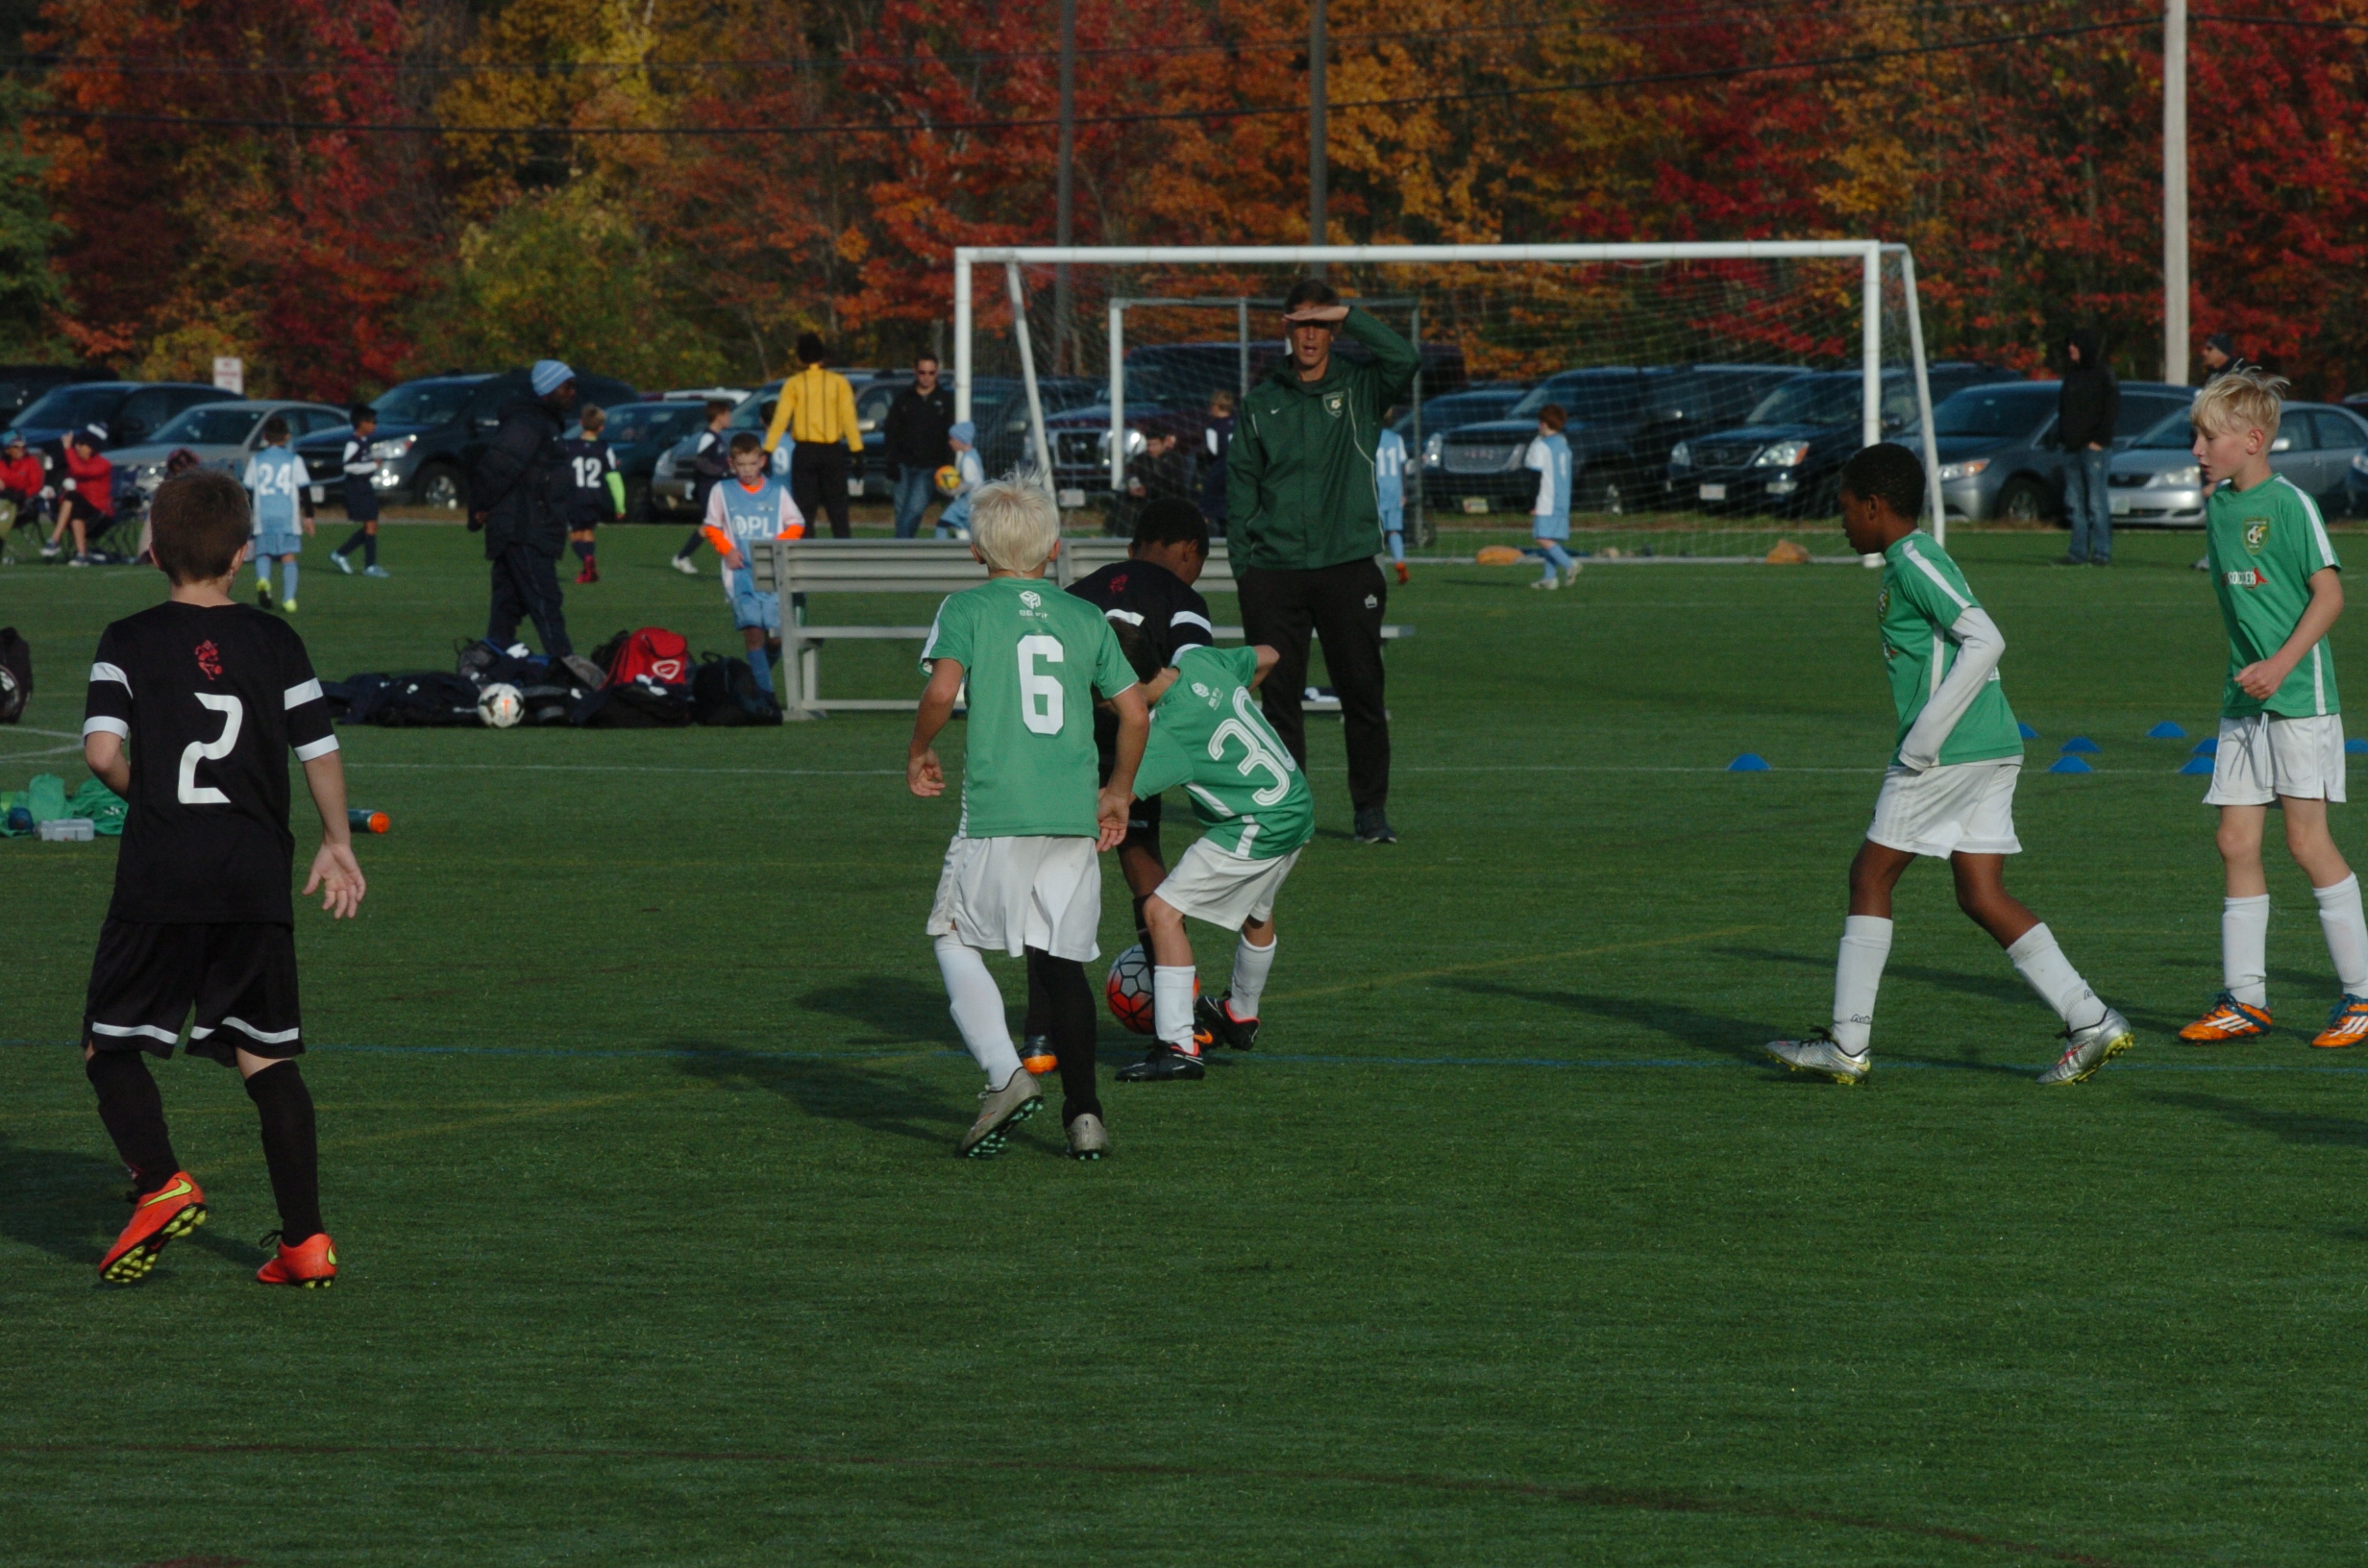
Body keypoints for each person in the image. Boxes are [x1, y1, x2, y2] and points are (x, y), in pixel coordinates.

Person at [1765, 443, 2135, 1088]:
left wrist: (1924, 737)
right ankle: (2090, 1018)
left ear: (1874, 507)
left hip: (1949, 752)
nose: (1841, 522)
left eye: (1846, 509)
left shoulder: (1914, 561)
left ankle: (1847, 1045)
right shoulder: (1909, 561)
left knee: (1870, 876)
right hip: (1990, 745)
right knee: (1980, 893)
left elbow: (1986, 638)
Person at [77, 468, 362, 1287]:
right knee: (264, 1056)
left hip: (162, 872)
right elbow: (318, 751)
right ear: (242, 553)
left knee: (108, 1044)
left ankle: (160, 1181)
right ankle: (305, 1242)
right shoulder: (276, 641)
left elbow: (100, 754)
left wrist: (150, 796)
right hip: (253, 875)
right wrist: (337, 841)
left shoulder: (127, 638)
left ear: (154, 552)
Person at [908, 477, 1147, 1161]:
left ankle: (1004, 1075)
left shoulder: (966, 606)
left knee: (953, 936)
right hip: (1071, 811)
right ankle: (1086, 1115)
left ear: (977, 552)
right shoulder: (1085, 616)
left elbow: (942, 690)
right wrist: (1118, 791)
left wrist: (919, 749)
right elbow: (1135, 713)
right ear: (1055, 548)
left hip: (999, 808)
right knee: (1061, 963)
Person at [2174, 370, 2368, 1049]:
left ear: (2253, 441)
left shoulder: (2289, 506)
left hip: (2298, 700)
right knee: (2234, 842)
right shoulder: (2220, 507)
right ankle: (2246, 1000)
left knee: (2306, 842)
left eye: (2209, 437)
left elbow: (2329, 596)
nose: (2197, 449)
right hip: (2244, 699)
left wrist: (2280, 665)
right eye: (2196, 435)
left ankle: (2362, 994)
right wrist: (2252, 673)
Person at [1020, 496, 1217, 1076]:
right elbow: (1194, 674)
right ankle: (1178, 1022)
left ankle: (1039, 1036)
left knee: (1048, 879)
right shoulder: (1182, 597)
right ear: (1190, 552)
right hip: (1132, 744)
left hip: (1061, 746)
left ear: (1133, 548)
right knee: (1141, 861)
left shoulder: (1075, 592)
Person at [1228, 278, 1419, 844]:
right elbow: (1241, 486)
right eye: (1301, 324)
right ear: (1286, 329)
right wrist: (1245, 567)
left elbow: (1404, 358)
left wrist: (1349, 315)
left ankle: (1370, 813)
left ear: (1333, 329)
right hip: (1274, 571)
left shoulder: (1362, 388)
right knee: (1279, 699)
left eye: (1321, 323)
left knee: (1362, 693)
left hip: (1347, 566)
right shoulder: (1261, 402)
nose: (1310, 335)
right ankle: (1291, 813)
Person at [1116, 640, 1313, 1084]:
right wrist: (1231, 697)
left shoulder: (1165, 732)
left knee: (1161, 911)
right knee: (1257, 908)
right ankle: (1241, 1014)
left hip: (1259, 823)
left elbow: (1113, 801)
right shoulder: (1199, 661)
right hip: (1295, 804)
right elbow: (1270, 655)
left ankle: (1178, 1046)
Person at [472, 359, 579, 660]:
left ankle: (488, 665)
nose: (573, 392)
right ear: (547, 389)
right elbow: (498, 467)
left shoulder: (544, 421)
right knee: (545, 602)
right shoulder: (528, 422)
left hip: (527, 526)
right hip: (524, 528)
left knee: (507, 606)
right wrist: (479, 506)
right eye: (567, 386)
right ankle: (565, 667)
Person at [701, 431, 806, 698]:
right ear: (731, 464)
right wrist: (727, 550)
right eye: (741, 465)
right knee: (753, 632)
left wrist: (776, 546)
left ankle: (752, 681)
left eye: (752, 464)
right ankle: (765, 694)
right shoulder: (722, 491)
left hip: (772, 575)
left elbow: (796, 523)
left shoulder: (776, 492)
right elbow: (712, 526)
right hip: (740, 575)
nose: (747, 470)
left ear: (762, 462)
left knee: (776, 639)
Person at [765, 333, 863, 539]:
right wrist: (857, 451)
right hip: (831, 451)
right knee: (838, 508)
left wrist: (768, 449)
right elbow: (849, 419)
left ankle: (806, 551)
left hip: (805, 451)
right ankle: (843, 551)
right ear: (823, 355)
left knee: (804, 510)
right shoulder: (839, 382)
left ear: (800, 357)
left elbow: (780, 419)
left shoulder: (793, 384)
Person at [2056, 328, 2119, 567]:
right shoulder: (2072, 375)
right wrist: (2061, 436)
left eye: (2075, 344)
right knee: (2074, 502)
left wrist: (2099, 440)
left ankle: (2102, 552)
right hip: (2071, 448)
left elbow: (2111, 408)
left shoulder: (2102, 374)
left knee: (2096, 502)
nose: (2071, 348)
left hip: (2093, 449)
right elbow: (2064, 409)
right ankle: (2077, 552)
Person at [241, 417, 312, 611]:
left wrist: (246, 515)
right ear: (287, 436)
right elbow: (305, 489)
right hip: (286, 516)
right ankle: (289, 599)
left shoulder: (257, 460)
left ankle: (264, 580)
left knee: (263, 553)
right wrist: (309, 516)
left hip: (263, 515)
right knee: (287, 555)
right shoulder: (294, 460)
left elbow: (248, 490)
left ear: (265, 437)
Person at [884, 354, 955, 539]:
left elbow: (951, 434)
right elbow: (890, 431)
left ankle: (899, 547)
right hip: (903, 464)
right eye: (922, 372)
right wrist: (891, 460)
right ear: (915, 372)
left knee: (914, 510)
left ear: (937, 373)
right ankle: (903, 549)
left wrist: (948, 463)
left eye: (931, 373)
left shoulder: (945, 400)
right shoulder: (904, 399)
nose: (927, 377)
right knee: (901, 511)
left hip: (930, 467)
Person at [671, 397, 740, 576]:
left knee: (715, 525)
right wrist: (722, 472)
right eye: (727, 414)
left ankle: (684, 557)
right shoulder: (708, 437)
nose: (730, 418)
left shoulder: (717, 437)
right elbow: (701, 462)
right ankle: (682, 557)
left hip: (715, 488)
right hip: (707, 488)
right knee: (711, 525)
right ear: (718, 416)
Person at [562, 404, 625, 585]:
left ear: (581, 423)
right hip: (595, 498)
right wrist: (620, 505)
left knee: (575, 534)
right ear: (601, 428)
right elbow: (614, 478)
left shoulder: (568, 447)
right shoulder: (604, 448)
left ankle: (587, 560)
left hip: (574, 497)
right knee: (588, 531)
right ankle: (589, 571)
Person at [330, 404, 390, 578]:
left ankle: (342, 554)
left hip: (364, 485)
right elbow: (348, 466)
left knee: (372, 524)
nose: (375, 425)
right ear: (362, 423)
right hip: (356, 487)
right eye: (372, 422)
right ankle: (368, 565)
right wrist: (373, 465)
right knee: (370, 523)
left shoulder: (363, 442)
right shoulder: (353, 443)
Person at [45, 424, 116, 566]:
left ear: (92, 447)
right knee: (74, 503)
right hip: (79, 510)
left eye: (82, 444)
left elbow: (80, 471)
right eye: (77, 443)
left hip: (99, 514)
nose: (77, 447)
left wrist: (68, 449)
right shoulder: (74, 463)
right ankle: (81, 554)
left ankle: (55, 539)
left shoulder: (103, 464)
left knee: (74, 498)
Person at [1525, 404, 1578, 591]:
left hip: (1547, 498)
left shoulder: (1542, 446)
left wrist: (1531, 502)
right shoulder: (1563, 443)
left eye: (1540, 421)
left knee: (1541, 537)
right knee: (1549, 538)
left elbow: (1536, 477)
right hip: (1562, 498)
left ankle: (1569, 564)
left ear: (1545, 423)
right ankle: (1549, 578)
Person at [0, 428, 50, 560]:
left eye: (23, 446)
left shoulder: (31, 462)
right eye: (16, 446)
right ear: (7, 450)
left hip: (24, 505)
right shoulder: (1, 464)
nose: (21, 449)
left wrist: (21, 494)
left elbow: (36, 485)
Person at [936, 421, 983, 540]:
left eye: (952, 439)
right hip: (974, 501)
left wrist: (952, 491)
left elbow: (969, 483)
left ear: (960, 439)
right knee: (973, 532)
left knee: (942, 524)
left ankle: (941, 548)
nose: (950, 442)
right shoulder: (973, 455)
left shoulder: (968, 460)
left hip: (968, 502)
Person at [1377, 422, 1409, 584]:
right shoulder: (1397, 438)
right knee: (1394, 531)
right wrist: (1404, 492)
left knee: (1377, 532)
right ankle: (1399, 562)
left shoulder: (1370, 437)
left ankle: (1378, 570)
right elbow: (1402, 466)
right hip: (1395, 490)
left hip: (1377, 489)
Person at [1200, 389, 1236, 535]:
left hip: (1221, 469)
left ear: (1215, 406)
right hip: (1240, 469)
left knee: (1215, 507)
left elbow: (1213, 451)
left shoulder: (1213, 427)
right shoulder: (1239, 423)